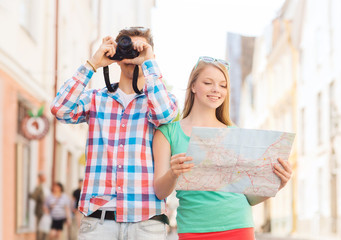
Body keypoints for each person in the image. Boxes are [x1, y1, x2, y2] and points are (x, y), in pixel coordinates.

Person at [50, 27, 178, 239]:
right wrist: (92, 64)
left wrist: (148, 64)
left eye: (140, 50)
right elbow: (60, 109)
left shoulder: (159, 100)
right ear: (118, 56)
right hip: (98, 221)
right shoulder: (96, 99)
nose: (132, 55)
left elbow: (165, 114)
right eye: (127, 49)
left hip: (146, 222)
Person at [153, 56, 293, 240]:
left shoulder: (234, 133)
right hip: (194, 229)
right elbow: (160, 191)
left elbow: (248, 199)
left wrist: (276, 185)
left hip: (239, 227)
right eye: (208, 82)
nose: (216, 90)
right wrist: (173, 172)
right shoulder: (167, 133)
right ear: (193, 86)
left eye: (222, 85)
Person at [29, 171, 50, 240]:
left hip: (47, 210)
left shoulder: (46, 186)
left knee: (46, 227)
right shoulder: (39, 187)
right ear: (40, 178)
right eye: (42, 177)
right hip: (40, 210)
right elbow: (33, 196)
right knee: (40, 227)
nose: (44, 178)